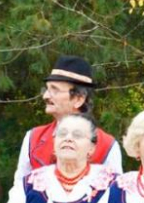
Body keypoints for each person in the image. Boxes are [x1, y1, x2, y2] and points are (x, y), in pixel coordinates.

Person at [14, 56, 122, 184]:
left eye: (55, 90)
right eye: (47, 89)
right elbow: (20, 188)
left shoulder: (107, 146)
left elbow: (115, 192)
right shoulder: (32, 138)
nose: (45, 96)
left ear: (78, 99)